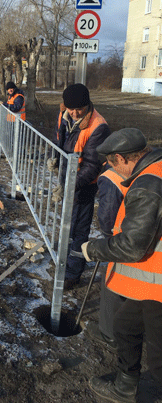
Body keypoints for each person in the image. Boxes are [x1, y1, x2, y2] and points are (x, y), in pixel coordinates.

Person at [81, 128, 162, 403]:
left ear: (121, 158)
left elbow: (132, 245)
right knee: (125, 326)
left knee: (158, 355)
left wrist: (94, 249)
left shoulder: (148, 185)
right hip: (151, 283)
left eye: (112, 165)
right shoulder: (155, 168)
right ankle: (126, 386)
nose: (113, 171)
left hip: (158, 286)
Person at [48, 83, 110, 290]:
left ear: (88, 105)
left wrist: (70, 186)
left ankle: (73, 274)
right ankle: (63, 260)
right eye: (70, 108)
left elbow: (93, 166)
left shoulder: (98, 126)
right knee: (67, 223)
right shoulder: (64, 114)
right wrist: (54, 158)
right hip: (68, 179)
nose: (74, 113)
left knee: (78, 230)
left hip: (84, 185)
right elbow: (60, 140)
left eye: (79, 110)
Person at [86, 163, 128, 353]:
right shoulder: (151, 167)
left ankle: (109, 333)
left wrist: (107, 241)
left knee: (113, 280)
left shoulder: (111, 177)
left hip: (125, 238)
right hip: (148, 235)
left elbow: (108, 214)